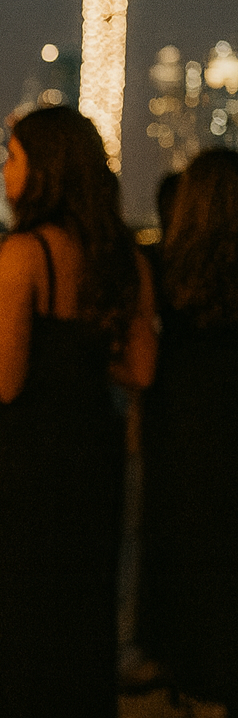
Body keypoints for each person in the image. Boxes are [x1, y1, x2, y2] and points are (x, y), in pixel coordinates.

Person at [0, 105, 156, 718]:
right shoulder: (123, 255)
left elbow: (5, 381)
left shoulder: (24, 253)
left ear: (45, 168)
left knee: (24, 618)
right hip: (94, 457)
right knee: (85, 612)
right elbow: (141, 370)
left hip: (28, 466)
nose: (3, 170)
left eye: (12, 157)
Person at [136, 148, 238, 709]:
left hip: (183, 425)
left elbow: (146, 356)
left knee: (190, 549)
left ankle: (192, 671)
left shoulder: (168, 269)